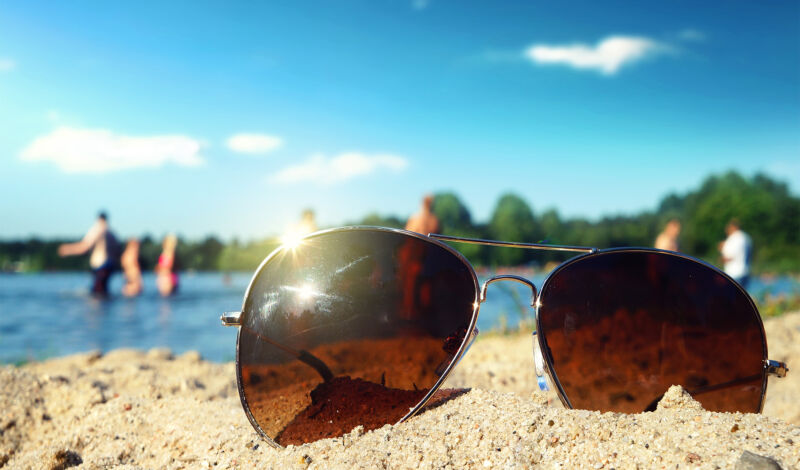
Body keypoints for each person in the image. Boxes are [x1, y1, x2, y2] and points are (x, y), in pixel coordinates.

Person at [58, 211, 120, 296]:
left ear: (98, 219)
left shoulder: (97, 229)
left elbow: (84, 247)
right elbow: (117, 251)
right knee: (104, 293)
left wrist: (66, 249)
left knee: (97, 295)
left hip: (101, 266)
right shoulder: (112, 233)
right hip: (110, 266)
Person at [719, 218, 752, 288]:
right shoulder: (746, 237)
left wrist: (721, 254)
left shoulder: (734, 238)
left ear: (733, 227)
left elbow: (728, 257)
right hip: (745, 272)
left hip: (734, 274)